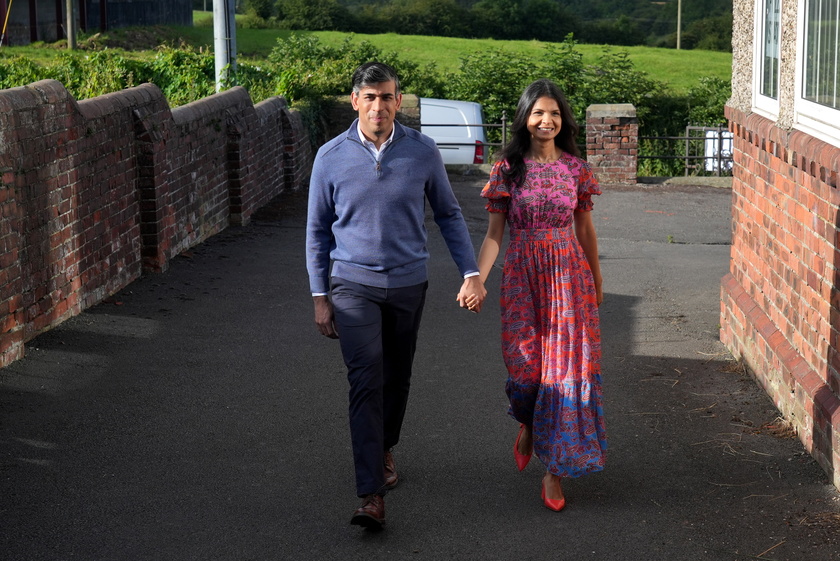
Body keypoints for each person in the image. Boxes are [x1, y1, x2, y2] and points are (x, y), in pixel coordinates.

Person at [306, 61, 487, 530]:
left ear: (398, 101)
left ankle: (385, 445)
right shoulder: (329, 156)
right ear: (354, 101)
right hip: (352, 284)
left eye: (387, 97)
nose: (379, 106)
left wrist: (471, 273)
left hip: (408, 282)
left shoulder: (422, 152)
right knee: (365, 380)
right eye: (369, 97)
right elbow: (317, 231)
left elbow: (448, 214)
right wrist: (319, 294)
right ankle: (370, 494)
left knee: (397, 377)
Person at [464, 78, 606, 512]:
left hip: (568, 277)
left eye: (556, 113)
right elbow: (493, 236)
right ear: (526, 118)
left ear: (564, 122)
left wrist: (597, 283)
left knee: (565, 373)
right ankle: (527, 419)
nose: (547, 120)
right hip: (523, 276)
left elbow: (585, 229)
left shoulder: (576, 170)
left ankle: (555, 471)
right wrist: (476, 278)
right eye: (539, 112)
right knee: (525, 370)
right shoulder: (508, 170)